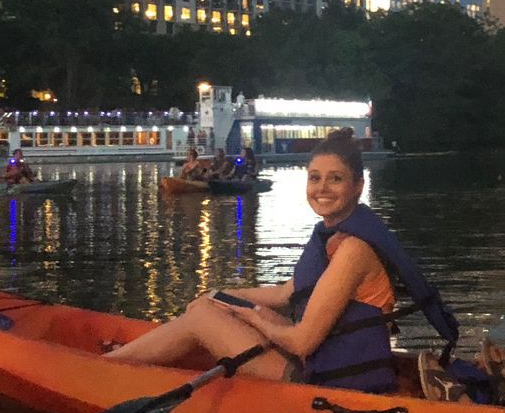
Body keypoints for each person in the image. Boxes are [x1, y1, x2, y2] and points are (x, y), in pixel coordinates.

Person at [105, 128, 459, 391]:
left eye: (335, 179)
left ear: (357, 186)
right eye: (315, 178)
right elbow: (288, 294)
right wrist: (223, 293)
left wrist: (252, 317)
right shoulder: (333, 237)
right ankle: (129, 359)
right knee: (209, 305)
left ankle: (105, 369)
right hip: (318, 363)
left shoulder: (354, 250)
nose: (322, 188)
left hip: (323, 381)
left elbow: (302, 341)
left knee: (201, 315)